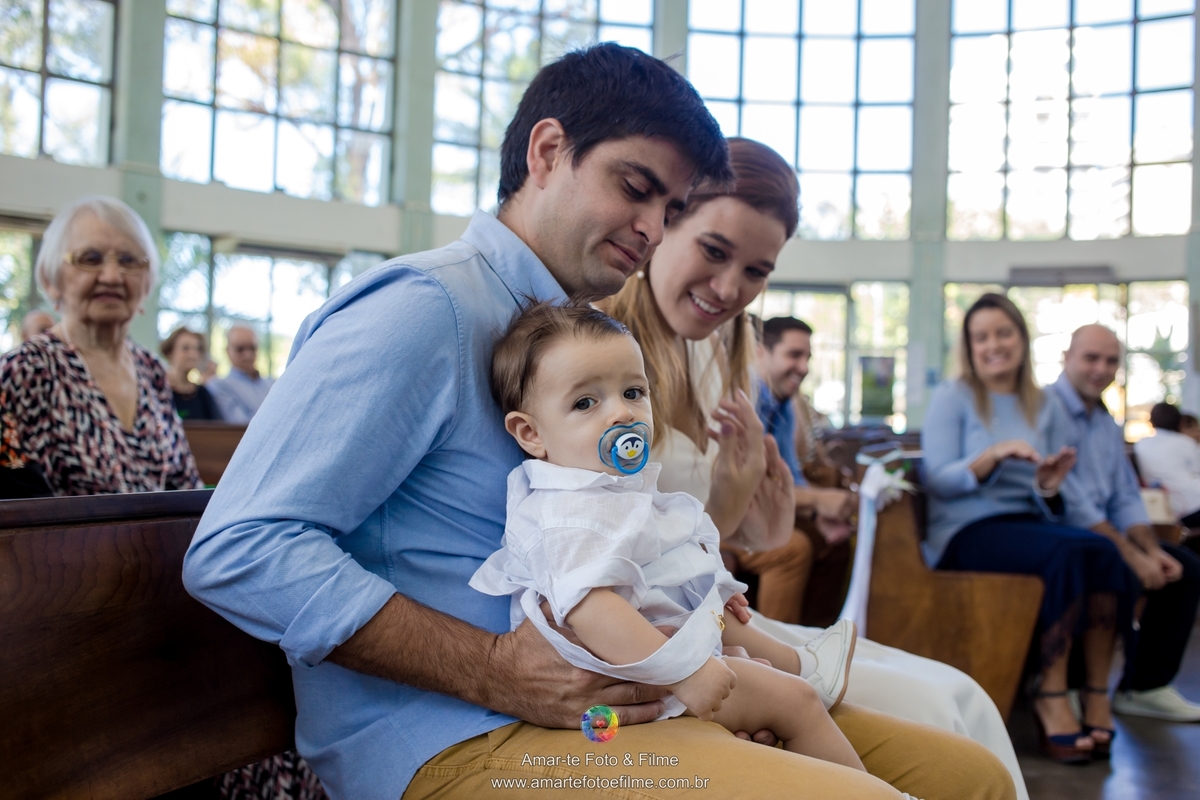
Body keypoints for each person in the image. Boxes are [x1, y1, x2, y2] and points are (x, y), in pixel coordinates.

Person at [185, 44, 1014, 800]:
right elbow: (241, 546)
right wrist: (495, 671)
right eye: (635, 187)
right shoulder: (424, 308)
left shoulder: (582, 338)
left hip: (611, 715)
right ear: (547, 152)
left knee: (965, 776)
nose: (653, 230)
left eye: (671, 206)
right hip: (456, 740)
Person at [601, 139, 1023, 794]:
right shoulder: (600, 350)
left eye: (756, 271)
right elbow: (604, 546)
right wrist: (732, 508)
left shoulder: (725, 344)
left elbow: (736, 538)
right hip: (655, 630)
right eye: (714, 252)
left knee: (958, 695)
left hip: (715, 610)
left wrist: (754, 512)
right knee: (937, 706)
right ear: (667, 220)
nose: (728, 288)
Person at [472, 302, 863, 773]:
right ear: (530, 433)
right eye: (585, 402)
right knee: (796, 704)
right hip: (632, 677)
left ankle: (796, 662)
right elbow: (592, 610)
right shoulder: (566, 513)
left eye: (633, 392)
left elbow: (664, 559)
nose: (621, 412)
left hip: (661, 649)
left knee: (737, 636)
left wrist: (713, 588)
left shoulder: (603, 490)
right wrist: (688, 671)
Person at [922, 293, 1138, 763]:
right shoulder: (953, 396)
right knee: (1066, 553)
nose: (993, 344)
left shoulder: (1043, 405)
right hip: (966, 530)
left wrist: (1047, 486)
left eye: (1004, 333)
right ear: (969, 346)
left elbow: (1053, 504)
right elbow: (936, 481)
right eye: (981, 337)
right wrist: (991, 457)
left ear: (1021, 339)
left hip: (1026, 524)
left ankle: (1098, 690)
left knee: (1099, 550)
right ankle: (1052, 693)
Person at [1047, 325, 1200, 723]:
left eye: (1111, 360)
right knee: (1107, 562)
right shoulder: (1045, 410)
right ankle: (1075, 685)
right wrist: (1131, 555)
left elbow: (1124, 496)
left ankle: (1143, 687)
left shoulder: (1105, 421)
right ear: (1067, 358)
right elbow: (1072, 502)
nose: (1101, 369)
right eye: (1091, 358)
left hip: (1103, 530)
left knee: (1183, 568)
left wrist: (1150, 550)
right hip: (1060, 528)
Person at [0, 195, 202, 496]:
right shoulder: (22, 371)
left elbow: (186, 488)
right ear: (51, 278)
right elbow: (12, 511)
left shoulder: (152, 371)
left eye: (129, 261)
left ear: (147, 283)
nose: (112, 276)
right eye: (90, 259)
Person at [745, 315, 856, 623]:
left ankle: (818, 642)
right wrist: (818, 501)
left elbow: (790, 476)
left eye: (807, 357)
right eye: (794, 355)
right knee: (793, 549)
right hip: (727, 513)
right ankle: (775, 656)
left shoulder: (782, 402)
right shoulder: (745, 396)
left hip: (760, 510)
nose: (804, 367)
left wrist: (817, 513)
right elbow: (743, 485)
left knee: (836, 544)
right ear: (759, 353)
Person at [1134, 402, 1200, 527]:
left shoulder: (1141, 444)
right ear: (1179, 423)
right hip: (1191, 506)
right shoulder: (1186, 443)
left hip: (1161, 506)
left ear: (1151, 421)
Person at [207, 324, 274, 422]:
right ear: (227, 351)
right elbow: (239, 423)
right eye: (240, 349)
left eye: (252, 348)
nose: (248, 355)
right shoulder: (218, 386)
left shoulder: (272, 383)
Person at [161, 326, 223, 421]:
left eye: (197, 349)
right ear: (170, 352)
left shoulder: (202, 394)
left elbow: (217, 428)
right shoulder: (161, 391)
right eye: (185, 348)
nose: (193, 354)